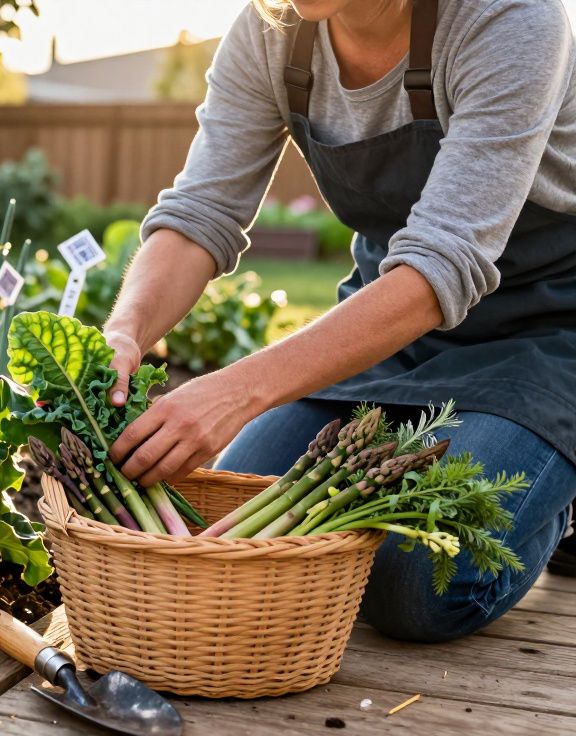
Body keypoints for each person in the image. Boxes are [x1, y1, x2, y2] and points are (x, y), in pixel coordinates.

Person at [103, 0, 576, 642]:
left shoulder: (512, 18)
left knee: (417, 583)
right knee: (237, 526)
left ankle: (560, 493)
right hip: (382, 326)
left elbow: (446, 257)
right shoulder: (272, 35)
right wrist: (127, 327)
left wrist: (237, 391)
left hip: (550, 327)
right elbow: (201, 211)